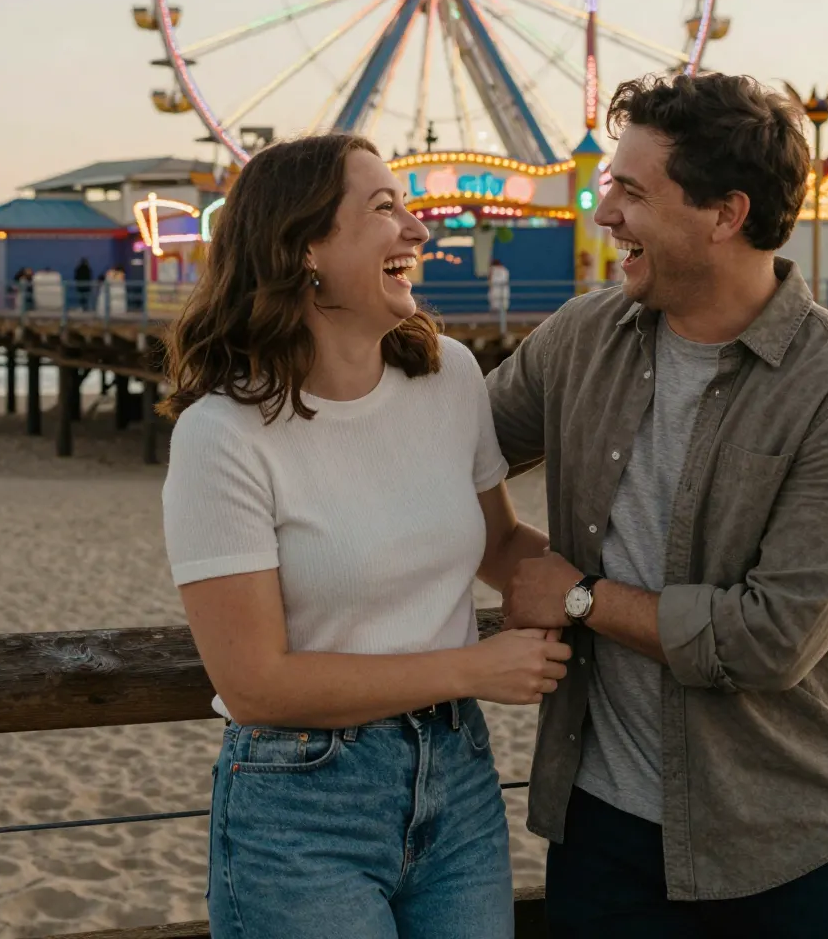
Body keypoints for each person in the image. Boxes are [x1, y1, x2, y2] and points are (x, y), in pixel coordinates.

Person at [487, 72, 828, 938]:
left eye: (632, 192)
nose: (604, 213)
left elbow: (770, 638)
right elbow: (438, 453)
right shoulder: (581, 337)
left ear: (725, 214)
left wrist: (576, 598)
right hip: (600, 832)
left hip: (782, 846)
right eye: (610, 185)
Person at [160, 133, 571, 939]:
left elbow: (497, 544)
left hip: (456, 776)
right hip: (305, 800)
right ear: (304, 247)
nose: (417, 230)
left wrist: (612, 593)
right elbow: (255, 685)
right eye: (385, 208)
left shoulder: (447, 376)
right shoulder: (223, 436)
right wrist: (475, 667)